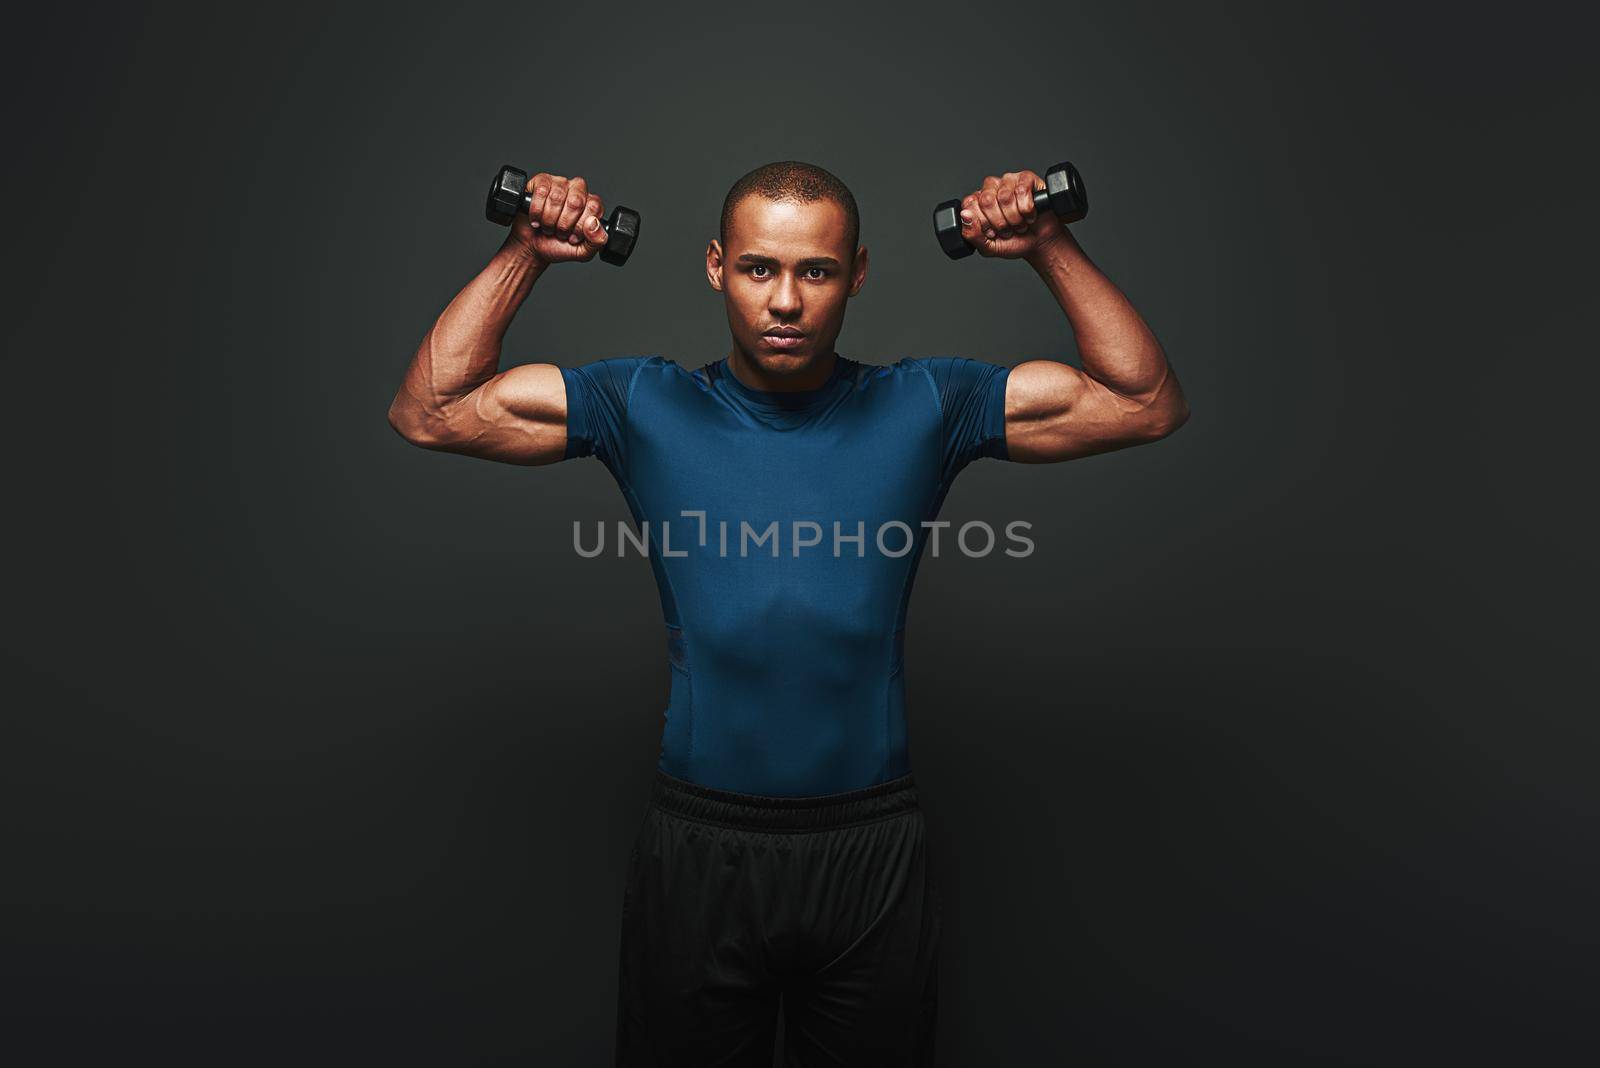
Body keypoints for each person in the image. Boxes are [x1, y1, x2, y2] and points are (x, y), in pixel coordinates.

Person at [386, 159, 1188, 1066]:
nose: (785, 301)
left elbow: (1143, 402)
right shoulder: (641, 402)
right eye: (760, 268)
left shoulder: (928, 402)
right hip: (699, 851)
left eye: (817, 271)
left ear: (858, 275)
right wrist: (525, 252)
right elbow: (432, 410)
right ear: (716, 267)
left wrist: (1049, 244)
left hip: (871, 852)